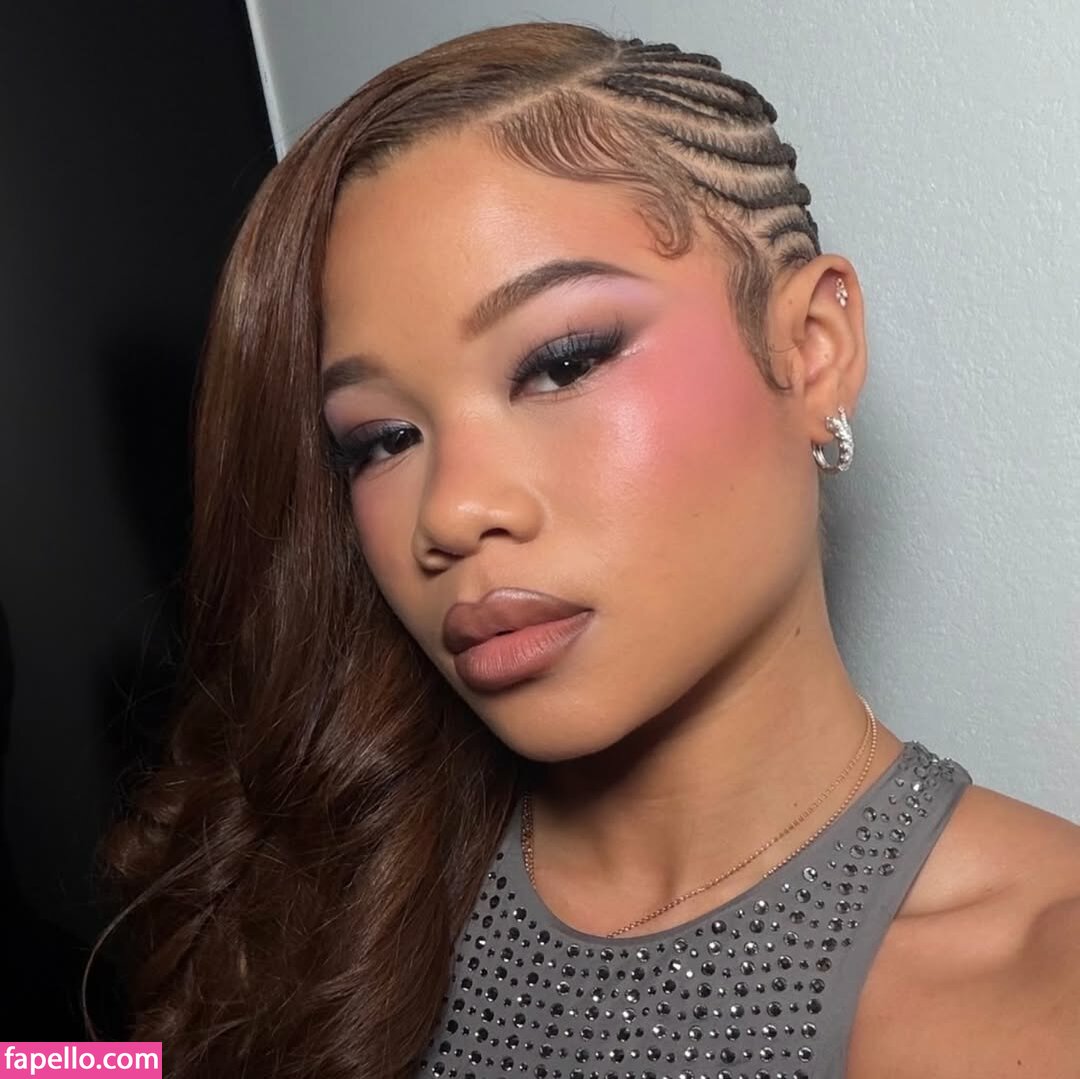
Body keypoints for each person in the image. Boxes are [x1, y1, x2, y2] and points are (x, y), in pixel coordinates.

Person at [91, 20, 1080, 1079]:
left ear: (811, 348)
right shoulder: (332, 870)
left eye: (561, 363)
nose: (453, 511)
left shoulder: (1040, 989)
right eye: (380, 439)